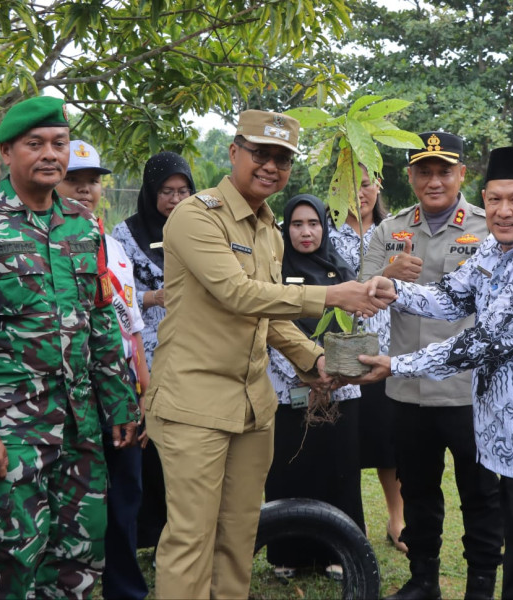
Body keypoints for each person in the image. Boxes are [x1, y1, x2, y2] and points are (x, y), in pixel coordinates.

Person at [143, 109, 389, 599]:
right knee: (192, 538)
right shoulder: (197, 215)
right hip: (195, 403)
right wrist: (332, 295)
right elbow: (237, 294)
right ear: (234, 152)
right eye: (260, 154)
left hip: (253, 406)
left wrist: (314, 360)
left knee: (238, 535)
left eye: (282, 158)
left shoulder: (268, 229)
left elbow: (268, 315)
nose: (271, 166)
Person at [358, 146, 513, 600]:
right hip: (512, 439)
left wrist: (396, 364)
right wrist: (395, 289)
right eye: (495, 199)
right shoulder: (497, 246)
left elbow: (480, 343)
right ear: (484, 198)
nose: (504, 211)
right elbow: (452, 296)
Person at [0, 96, 140, 599]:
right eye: (36, 144)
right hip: (11, 430)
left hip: (79, 426)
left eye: (59, 143)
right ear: (6, 153)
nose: (51, 154)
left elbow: (100, 318)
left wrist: (119, 402)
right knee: (14, 557)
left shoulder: (83, 223)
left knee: (78, 558)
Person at [361, 131, 503, 600]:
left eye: (444, 170)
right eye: (425, 171)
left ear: (462, 174)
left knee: (480, 493)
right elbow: (359, 295)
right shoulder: (390, 230)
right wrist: (387, 276)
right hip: (409, 387)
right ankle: (423, 580)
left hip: (469, 389)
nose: (434, 180)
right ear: (411, 177)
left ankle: (481, 585)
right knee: (418, 491)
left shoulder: (488, 227)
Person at [56, 140, 150, 600]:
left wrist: (142, 388)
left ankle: (124, 589)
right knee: (71, 502)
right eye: (74, 181)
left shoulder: (113, 247)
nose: (85, 190)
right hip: (70, 395)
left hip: (120, 388)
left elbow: (131, 326)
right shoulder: (45, 244)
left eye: (92, 181)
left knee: (125, 495)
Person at [265, 194, 365, 578]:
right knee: (291, 469)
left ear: (324, 227)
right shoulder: (274, 271)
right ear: (285, 228)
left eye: (313, 224)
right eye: (296, 224)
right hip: (288, 386)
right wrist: (304, 370)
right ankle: (288, 553)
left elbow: (357, 325)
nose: (305, 232)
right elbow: (269, 323)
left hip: (339, 387)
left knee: (338, 470)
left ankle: (339, 552)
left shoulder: (342, 269)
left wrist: (333, 374)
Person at [111, 151, 196, 550]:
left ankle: (183, 531)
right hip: (145, 354)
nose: (175, 200)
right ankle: (150, 533)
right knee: (150, 441)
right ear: (150, 192)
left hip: (192, 352)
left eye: (182, 191)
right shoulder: (124, 235)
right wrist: (152, 296)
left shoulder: (200, 229)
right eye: (166, 191)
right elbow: (115, 294)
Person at [329, 164, 407, 553]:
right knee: (344, 445)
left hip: (388, 350)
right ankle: (345, 525)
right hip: (339, 354)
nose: (357, 193)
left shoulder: (397, 231)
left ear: (378, 184)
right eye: (346, 185)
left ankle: (397, 519)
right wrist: (388, 272)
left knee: (387, 442)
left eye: (364, 184)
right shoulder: (322, 233)